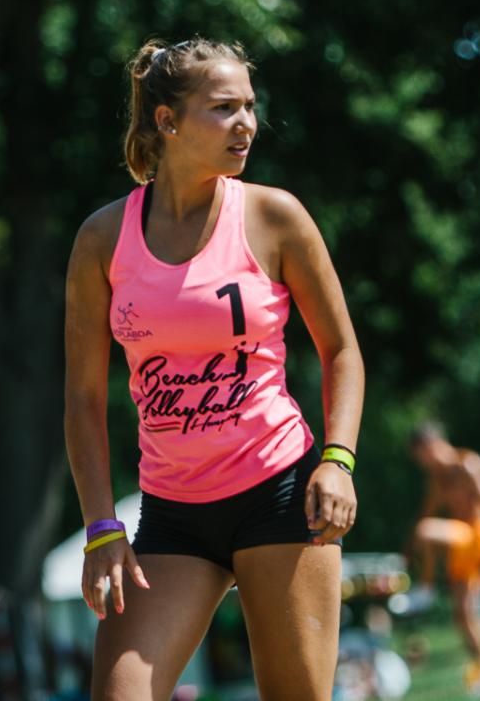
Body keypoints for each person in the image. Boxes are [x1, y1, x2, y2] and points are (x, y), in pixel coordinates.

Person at [64, 37, 364, 701]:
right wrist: (101, 528)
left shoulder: (274, 215)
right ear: (167, 120)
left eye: (249, 106)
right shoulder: (102, 239)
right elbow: (82, 400)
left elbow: (342, 349)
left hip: (280, 495)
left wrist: (338, 460)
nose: (246, 123)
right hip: (172, 515)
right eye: (224, 108)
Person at [408, 420, 480, 695]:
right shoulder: (438, 478)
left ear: (431, 445)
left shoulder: (467, 463)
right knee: (464, 615)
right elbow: (427, 509)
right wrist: (409, 551)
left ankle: (426, 588)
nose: (423, 463)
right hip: (462, 543)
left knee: (426, 530)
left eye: (421, 455)